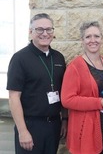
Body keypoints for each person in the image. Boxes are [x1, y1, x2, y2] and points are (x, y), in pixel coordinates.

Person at [6, 13, 68, 154]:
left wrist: (64, 119)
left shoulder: (58, 57)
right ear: (30, 32)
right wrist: (22, 131)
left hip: (54, 125)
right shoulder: (19, 59)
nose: (45, 33)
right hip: (30, 125)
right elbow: (13, 97)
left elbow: (63, 91)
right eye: (39, 29)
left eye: (49, 29)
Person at [61, 21, 103, 154]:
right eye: (88, 37)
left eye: (96, 36)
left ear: (102, 39)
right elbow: (67, 100)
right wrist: (99, 102)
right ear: (82, 40)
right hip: (85, 130)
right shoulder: (74, 67)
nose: (93, 40)